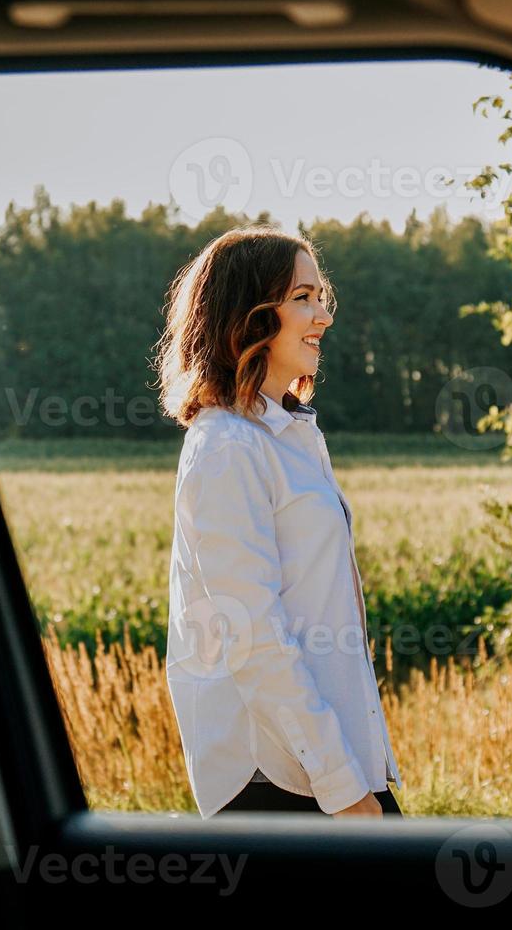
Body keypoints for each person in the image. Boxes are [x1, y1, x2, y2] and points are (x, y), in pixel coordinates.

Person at [154, 224, 404, 819]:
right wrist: (345, 789)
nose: (323, 315)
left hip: (321, 768)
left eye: (321, 297)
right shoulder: (227, 447)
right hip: (273, 778)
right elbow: (255, 638)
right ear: (249, 313)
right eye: (302, 298)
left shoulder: (289, 436)